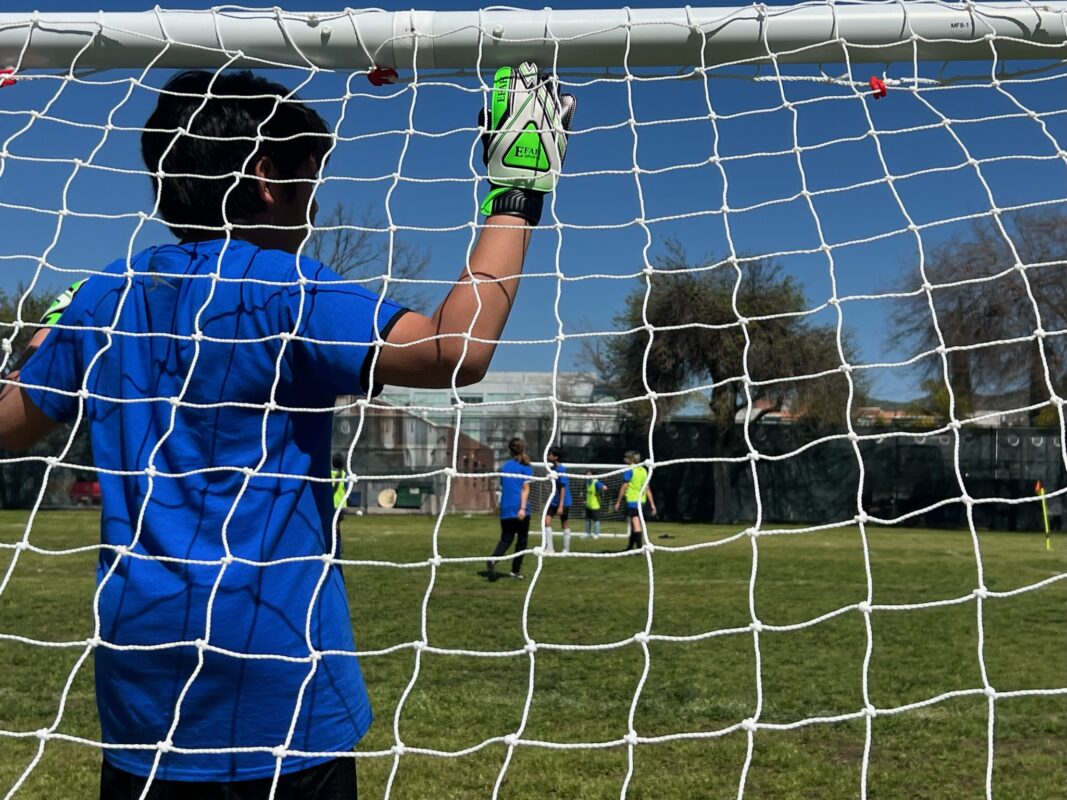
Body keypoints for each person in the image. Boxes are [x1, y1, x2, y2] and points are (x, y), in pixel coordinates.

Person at [0, 65, 574, 797]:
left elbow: (9, 427)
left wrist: (50, 337)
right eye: (310, 183)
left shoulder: (105, 295)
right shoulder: (282, 287)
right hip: (277, 685)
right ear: (267, 177)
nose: (311, 207)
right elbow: (453, 349)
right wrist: (516, 193)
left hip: (140, 684)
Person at [487, 437, 533, 581]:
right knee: (522, 541)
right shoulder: (525, 467)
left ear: (509, 450)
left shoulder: (505, 467)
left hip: (505, 508)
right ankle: (515, 571)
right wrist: (522, 509)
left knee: (506, 539)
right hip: (520, 508)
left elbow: (504, 486)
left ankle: (493, 559)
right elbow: (525, 489)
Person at [614, 450, 658, 551]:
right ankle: (630, 547)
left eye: (626, 457)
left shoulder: (630, 470)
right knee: (634, 525)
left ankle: (639, 549)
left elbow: (624, 486)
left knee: (636, 525)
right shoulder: (643, 470)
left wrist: (618, 501)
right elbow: (647, 488)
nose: (624, 459)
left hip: (632, 501)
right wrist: (652, 504)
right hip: (642, 501)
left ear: (631, 459)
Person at [543, 445, 572, 553]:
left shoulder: (561, 469)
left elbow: (563, 488)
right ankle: (550, 548)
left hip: (563, 501)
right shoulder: (553, 469)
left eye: (549, 454)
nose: (548, 456)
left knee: (564, 523)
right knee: (546, 521)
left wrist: (560, 505)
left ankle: (566, 549)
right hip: (554, 501)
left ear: (556, 457)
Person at [330, 453, 348, 556]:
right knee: (336, 527)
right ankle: (338, 546)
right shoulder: (345, 474)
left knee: (332, 527)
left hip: (332, 505)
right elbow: (346, 487)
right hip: (341, 506)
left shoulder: (328, 473)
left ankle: (336, 547)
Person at [584, 471, 606, 539]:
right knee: (587, 520)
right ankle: (587, 533)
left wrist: (599, 493)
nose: (588, 476)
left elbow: (604, 488)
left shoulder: (596, 482)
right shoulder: (587, 482)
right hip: (588, 505)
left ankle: (597, 534)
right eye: (587, 475)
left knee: (596, 520)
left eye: (589, 475)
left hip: (595, 505)